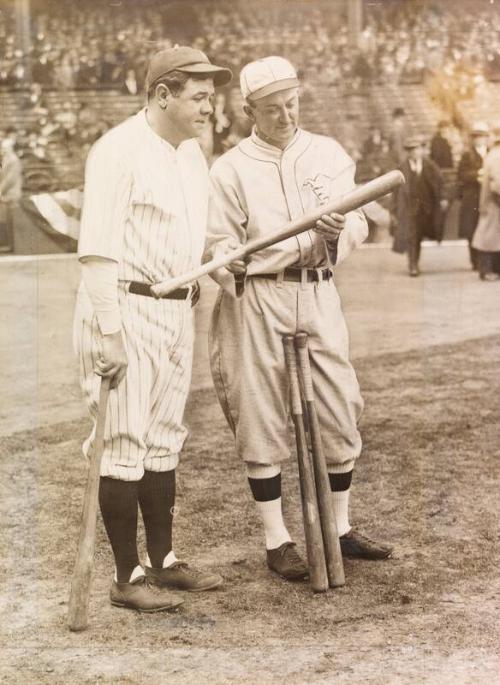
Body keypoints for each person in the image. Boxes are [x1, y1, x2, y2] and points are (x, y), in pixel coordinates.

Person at [205, 56, 392, 582]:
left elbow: (356, 220)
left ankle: (340, 528)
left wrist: (336, 232)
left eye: (291, 104)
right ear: (248, 111)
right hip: (258, 295)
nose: (285, 115)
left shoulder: (328, 154)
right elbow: (219, 242)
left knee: (339, 403)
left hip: (317, 290)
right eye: (272, 108)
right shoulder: (230, 167)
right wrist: (231, 259)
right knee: (260, 410)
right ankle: (276, 539)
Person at [73, 46, 232, 612]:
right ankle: (125, 578)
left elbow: (205, 237)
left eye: (212, 97)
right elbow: (96, 252)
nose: (210, 107)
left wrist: (223, 254)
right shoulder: (117, 150)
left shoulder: (192, 155)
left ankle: (162, 564)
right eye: (199, 96)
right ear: (163, 94)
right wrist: (110, 333)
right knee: (121, 443)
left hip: (176, 308)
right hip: (125, 307)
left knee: (164, 437)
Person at [393, 136, 447, 277]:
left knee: (420, 236)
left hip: (427, 208)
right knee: (412, 235)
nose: (414, 152)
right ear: (408, 152)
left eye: (417, 149)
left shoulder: (430, 166)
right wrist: (394, 209)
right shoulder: (402, 168)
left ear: (422, 150)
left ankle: (415, 261)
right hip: (409, 209)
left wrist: (443, 198)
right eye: (411, 150)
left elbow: (440, 184)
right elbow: (395, 190)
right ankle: (413, 265)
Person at [456, 122, 490, 270]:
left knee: (488, 228)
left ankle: (487, 261)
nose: (479, 140)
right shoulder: (467, 155)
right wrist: (477, 175)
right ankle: (475, 261)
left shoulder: (492, 152)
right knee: (472, 229)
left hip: (488, 197)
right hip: (472, 197)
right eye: (477, 137)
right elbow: (462, 175)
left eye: (482, 137)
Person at [472, 123, 500, 280]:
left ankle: (490, 270)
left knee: (491, 238)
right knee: (489, 239)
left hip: (491, 202)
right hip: (494, 203)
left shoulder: (493, 154)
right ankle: (487, 271)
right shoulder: (497, 156)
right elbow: (498, 184)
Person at [0, 136, 22, 252]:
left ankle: (11, 246)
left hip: (12, 193)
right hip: (5, 194)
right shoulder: (6, 159)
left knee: (10, 219)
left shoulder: (13, 160)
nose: (2, 149)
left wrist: (0, 190)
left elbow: (10, 179)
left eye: (5, 147)